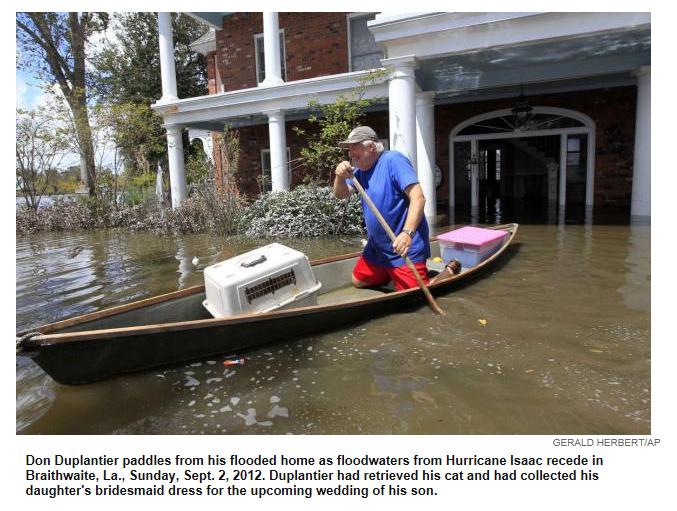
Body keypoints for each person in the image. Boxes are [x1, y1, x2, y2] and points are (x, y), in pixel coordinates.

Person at [333, 126, 431, 290]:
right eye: (349, 149)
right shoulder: (359, 170)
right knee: (358, 281)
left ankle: (447, 272)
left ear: (370, 147)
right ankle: (389, 271)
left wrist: (407, 234)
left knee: (416, 294)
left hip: (403, 248)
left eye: (355, 147)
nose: (351, 154)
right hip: (378, 248)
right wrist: (339, 177)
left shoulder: (394, 161)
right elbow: (341, 194)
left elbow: (418, 198)